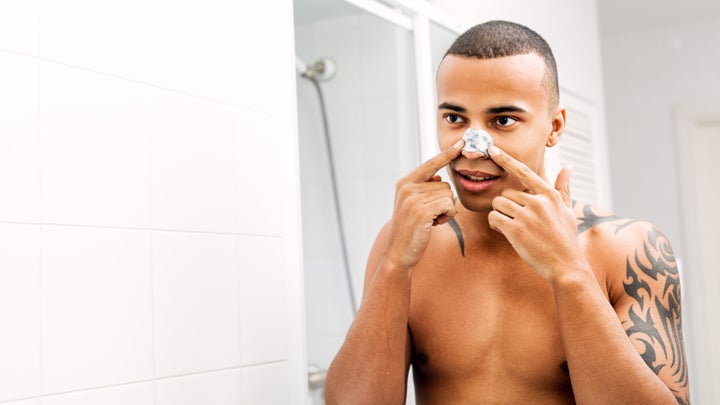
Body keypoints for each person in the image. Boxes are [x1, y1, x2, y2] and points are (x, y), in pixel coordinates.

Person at [323, 20, 690, 404]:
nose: (473, 147)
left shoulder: (626, 249)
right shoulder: (406, 242)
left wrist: (570, 273)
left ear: (555, 126)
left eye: (502, 120)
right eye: (455, 118)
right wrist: (394, 264)